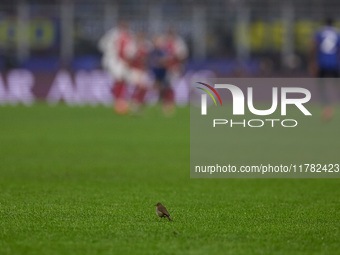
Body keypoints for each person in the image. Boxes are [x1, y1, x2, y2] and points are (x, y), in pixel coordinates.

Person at [98, 21, 132, 114]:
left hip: (122, 61)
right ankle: (118, 100)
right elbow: (102, 44)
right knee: (119, 78)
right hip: (113, 60)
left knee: (123, 79)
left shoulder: (127, 34)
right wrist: (110, 52)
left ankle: (119, 99)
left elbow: (129, 49)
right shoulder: (113, 34)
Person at [309, 18, 340, 120]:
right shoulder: (337, 34)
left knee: (321, 87)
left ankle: (327, 108)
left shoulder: (320, 33)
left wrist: (312, 61)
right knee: (336, 86)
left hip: (322, 63)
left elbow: (314, 46)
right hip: (335, 64)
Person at [125, 31, 152, 114]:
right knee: (138, 87)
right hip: (135, 70)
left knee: (145, 88)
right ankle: (134, 104)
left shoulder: (147, 46)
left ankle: (139, 105)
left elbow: (149, 59)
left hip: (143, 70)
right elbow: (129, 58)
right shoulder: (132, 47)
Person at [149, 35, 174, 116]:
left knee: (166, 89)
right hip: (157, 72)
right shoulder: (153, 52)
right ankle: (163, 104)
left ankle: (167, 105)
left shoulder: (163, 51)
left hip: (164, 72)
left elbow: (166, 61)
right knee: (160, 89)